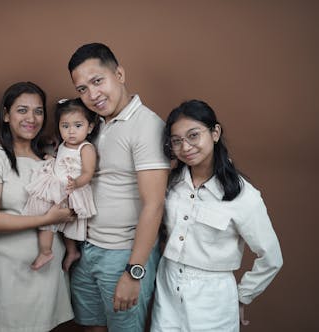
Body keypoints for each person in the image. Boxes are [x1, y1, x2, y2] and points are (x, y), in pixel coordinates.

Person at [151, 100, 283, 331]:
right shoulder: (170, 184)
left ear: (215, 133)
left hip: (213, 297)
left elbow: (271, 257)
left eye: (193, 135)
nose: (186, 147)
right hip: (167, 286)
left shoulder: (243, 196)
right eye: (177, 141)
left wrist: (242, 296)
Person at [67, 42, 171, 331]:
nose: (92, 94)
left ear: (120, 74)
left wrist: (133, 272)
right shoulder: (95, 125)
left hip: (123, 255)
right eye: (82, 89)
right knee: (91, 326)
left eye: (97, 81)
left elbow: (154, 204)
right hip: (88, 250)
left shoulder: (146, 125)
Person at [0, 81, 75, 331]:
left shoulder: (51, 156)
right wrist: (46, 219)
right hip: (10, 271)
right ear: (6, 115)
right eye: (22, 110)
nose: (32, 118)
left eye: (38, 111)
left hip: (49, 271)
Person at [23, 98, 99, 271]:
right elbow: (63, 161)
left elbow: (88, 172)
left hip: (73, 188)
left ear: (90, 127)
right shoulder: (63, 144)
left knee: (62, 223)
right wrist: (54, 159)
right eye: (65, 126)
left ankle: (58, 251)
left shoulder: (86, 148)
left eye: (78, 126)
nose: (71, 131)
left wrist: (76, 183)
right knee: (52, 219)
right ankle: (58, 251)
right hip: (57, 185)